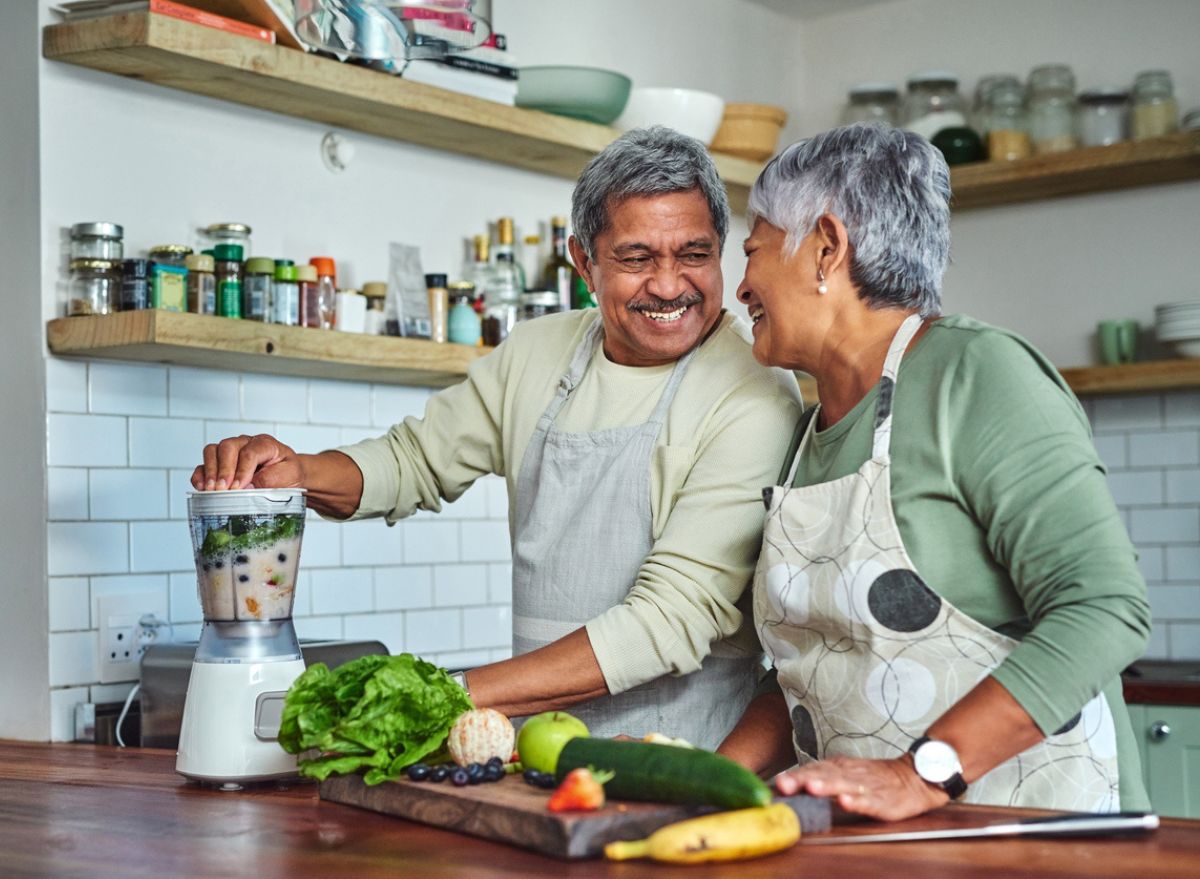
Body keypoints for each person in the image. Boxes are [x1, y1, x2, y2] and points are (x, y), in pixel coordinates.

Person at [192, 126, 803, 749]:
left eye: (694, 255)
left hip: (684, 764)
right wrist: (300, 472)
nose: (670, 285)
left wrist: (443, 695)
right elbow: (415, 462)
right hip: (532, 756)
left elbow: (669, 618)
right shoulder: (540, 353)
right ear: (584, 262)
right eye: (637, 259)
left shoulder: (753, 393)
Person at [716, 124, 1151, 820]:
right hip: (866, 846)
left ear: (826, 246)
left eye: (754, 252)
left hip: (1028, 833)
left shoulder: (978, 374)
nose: (741, 286)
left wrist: (921, 774)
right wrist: (701, 780)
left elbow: (1104, 607)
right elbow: (816, 676)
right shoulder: (804, 435)